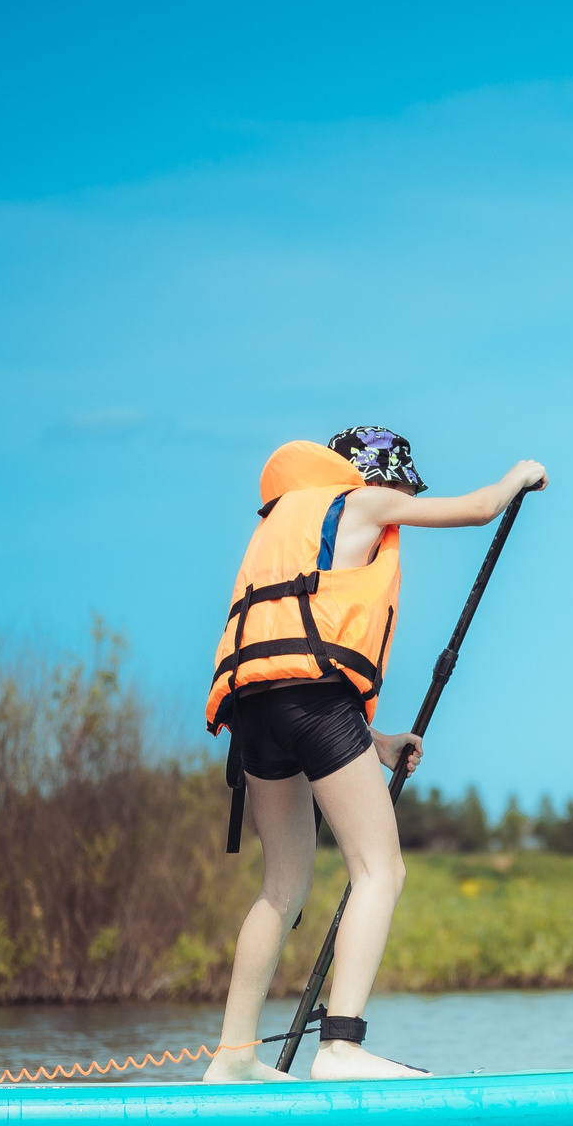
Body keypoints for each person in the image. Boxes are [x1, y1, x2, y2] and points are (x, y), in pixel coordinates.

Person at [201, 425, 545, 1082]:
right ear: (374, 475)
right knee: (379, 870)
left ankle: (233, 1058)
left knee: (282, 886)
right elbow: (476, 510)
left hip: (254, 709)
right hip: (313, 702)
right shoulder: (362, 499)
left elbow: (288, 653)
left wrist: (377, 743)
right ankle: (340, 1049)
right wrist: (519, 477)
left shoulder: (284, 522)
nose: (400, 502)